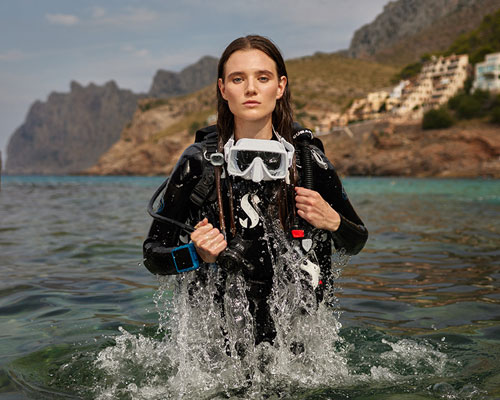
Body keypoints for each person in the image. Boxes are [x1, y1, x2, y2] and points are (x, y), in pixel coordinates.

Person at [143, 35, 368, 347]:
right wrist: (195, 253)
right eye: (238, 79)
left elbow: (356, 240)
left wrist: (333, 221)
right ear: (223, 89)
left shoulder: (311, 164)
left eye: (263, 78)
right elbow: (153, 255)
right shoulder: (198, 163)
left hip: (297, 348)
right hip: (220, 347)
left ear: (280, 86)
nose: (250, 88)